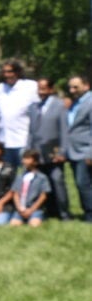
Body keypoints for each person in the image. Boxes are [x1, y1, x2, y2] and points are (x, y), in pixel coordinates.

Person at [27, 76, 70, 220]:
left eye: (44, 89)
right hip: (37, 153)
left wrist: (63, 151)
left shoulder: (60, 106)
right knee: (43, 184)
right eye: (39, 89)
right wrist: (28, 151)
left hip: (54, 152)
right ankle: (49, 211)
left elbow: (64, 130)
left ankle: (64, 213)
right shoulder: (33, 107)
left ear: (51, 89)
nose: (41, 92)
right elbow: (31, 132)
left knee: (57, 181)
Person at [0, 59, 38, 168]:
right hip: (4, 141)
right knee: (8, 175)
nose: (6, 75)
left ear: (17, 72)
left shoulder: (30, 86)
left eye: (10, 71)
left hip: (23, 140)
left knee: (25, 174)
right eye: (4, 72)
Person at [66, 74, 92, 221]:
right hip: (73, 151)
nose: (72, 89)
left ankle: (90, 216)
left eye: (76, 86)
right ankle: (86, 213)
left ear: (86, 86)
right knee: (80, 184)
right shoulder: (76, 103)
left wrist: (90, 153)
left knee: (84, 184)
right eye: (70, 87)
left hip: (85, 151)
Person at [9, 149, 50, 227]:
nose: (24, 161)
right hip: (20, 209)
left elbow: (43, 195)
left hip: (35, 209)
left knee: (34, 224)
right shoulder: (20, 177)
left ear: (35, 162)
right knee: (14, 225)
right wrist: (19, 208)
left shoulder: (42, 177)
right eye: (24, 158)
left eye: (28, 159)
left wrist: (31, 209)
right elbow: (15, 193)